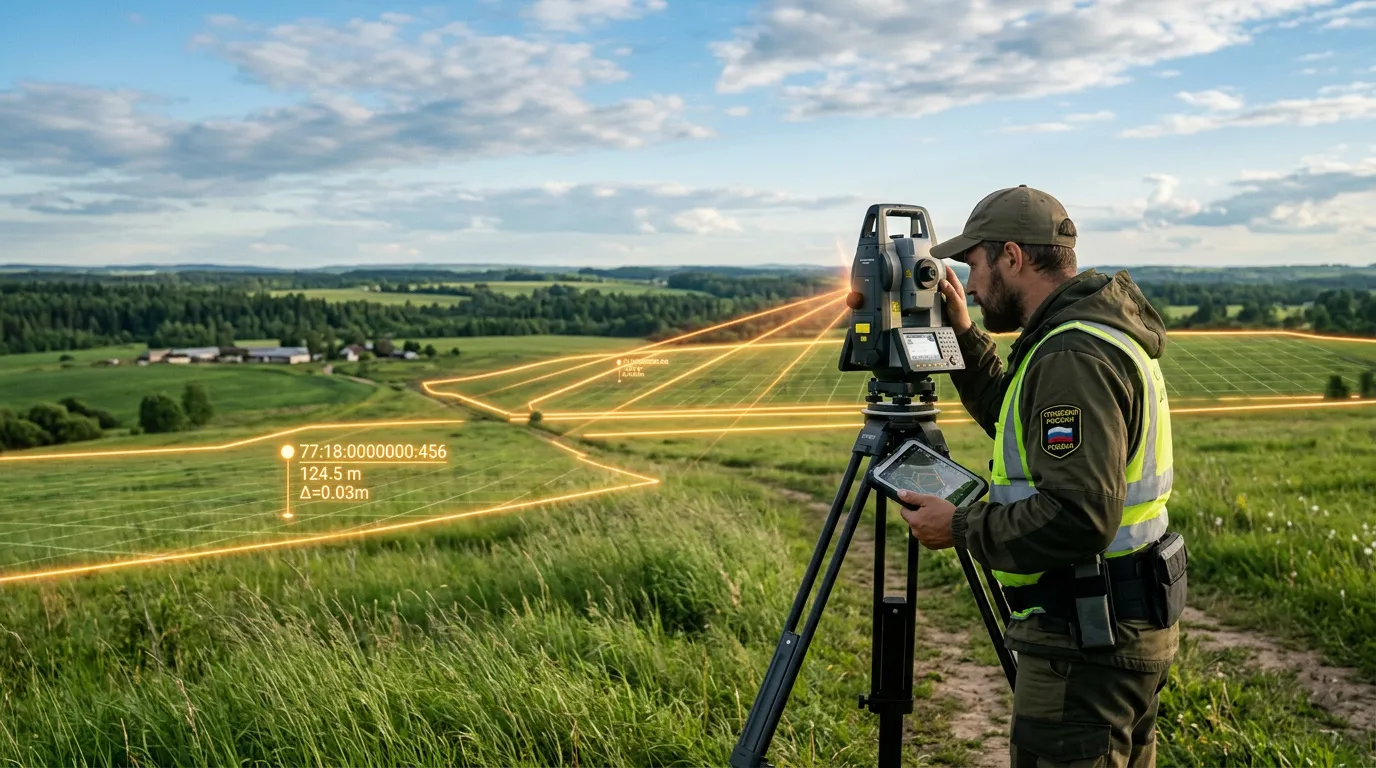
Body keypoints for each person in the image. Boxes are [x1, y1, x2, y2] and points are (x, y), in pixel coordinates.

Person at [895, 186, 1184, 767]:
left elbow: (1079, 515)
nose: (969, 286)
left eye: (973, 266)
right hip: (1113, 625)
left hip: (1088, 643)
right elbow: (1018, 420)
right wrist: (963, 338)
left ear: (1012, 257)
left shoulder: (1071, 355)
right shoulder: (1085, 336)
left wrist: (962, 526)